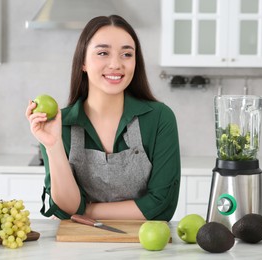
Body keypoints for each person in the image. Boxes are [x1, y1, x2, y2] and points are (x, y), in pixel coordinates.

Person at [26, 15, 180, 221]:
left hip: (145, 249)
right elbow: (64, 207)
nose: (116, 64)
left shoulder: (160, 118)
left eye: (126, 54)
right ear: (83, 62)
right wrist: (53, 145)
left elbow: (162, 206)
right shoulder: (57, 125)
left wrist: (84, 211)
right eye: (103, 53)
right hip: (78, 250)